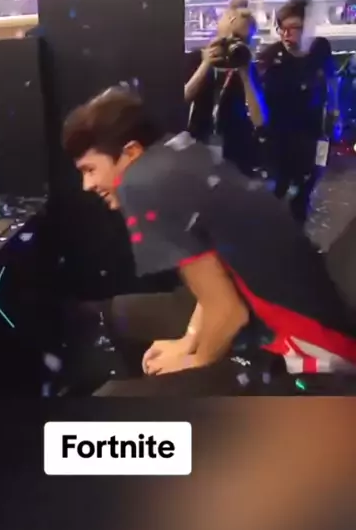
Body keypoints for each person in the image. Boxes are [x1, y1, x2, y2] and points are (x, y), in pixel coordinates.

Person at [62, 89, 356, 395]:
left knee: (107, 400)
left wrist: (195, 361)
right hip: (283, 312)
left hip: (310, 349)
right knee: (100, 316)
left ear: (131, 152)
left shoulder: (141, 185)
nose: (87, 185)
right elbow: (219, 276)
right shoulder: (177, 155)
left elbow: (229, 314)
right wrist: (188, 340)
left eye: (90, 170)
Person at [258, 0, 341, 224]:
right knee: (278, 189)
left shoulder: (320, 48)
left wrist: (335, 113)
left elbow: (332, 79)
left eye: (294, 28)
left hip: (312, 130)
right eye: (282, 28)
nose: (286, 34)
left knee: (309, 183)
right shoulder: (269, 58)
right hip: (280, 135)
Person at [185, 3, 267, 176]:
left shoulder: (248, 68)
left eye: (241, 39)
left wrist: (245, 75)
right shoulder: (195, 59)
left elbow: (259, 119)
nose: (233, 43)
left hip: (235, 154)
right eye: (231, 36)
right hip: (198, 148)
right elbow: (183, 98)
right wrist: (206, 64)